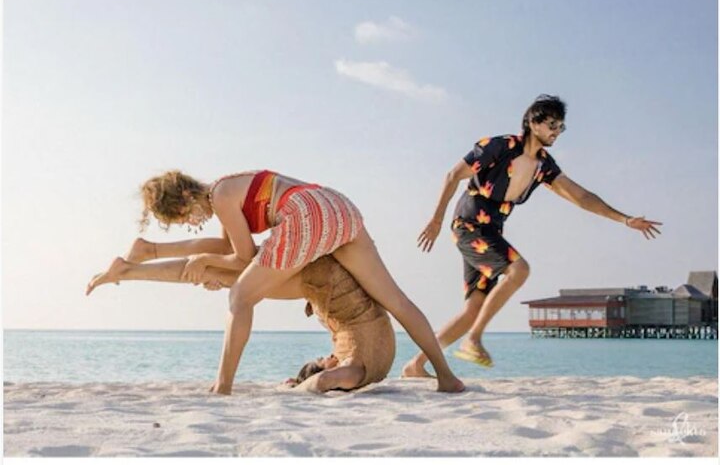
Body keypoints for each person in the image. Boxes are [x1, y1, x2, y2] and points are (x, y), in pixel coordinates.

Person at [122, 170, 463, 394]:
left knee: (240, 297)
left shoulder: (221, 197)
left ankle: (223, 386)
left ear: (184, 198)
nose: (191, 223)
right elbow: (228, 248)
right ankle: (446, 377)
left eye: (184, 218)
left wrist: (207, 263)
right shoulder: (227, 188)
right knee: (396, 300)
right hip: (338, 206)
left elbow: (242, 260)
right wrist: (158, 252)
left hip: (306, 212)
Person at [402, 94, 662, 376]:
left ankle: (416, 365)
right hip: (468, 224)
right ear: (533, 122)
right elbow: (454, 175)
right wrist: (436, 220)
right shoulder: (499, 147)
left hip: (491, 231)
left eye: (561, 127)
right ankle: (473, 339)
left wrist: (624, 219)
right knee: (519, 270)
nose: (557, 132)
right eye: (552, 124)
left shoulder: (543, 165)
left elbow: (581, 196)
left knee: (474, 308)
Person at [87, 251, 395, 393]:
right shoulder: (357, 368)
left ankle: (132, 267)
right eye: (323, 360)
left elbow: (324, 377)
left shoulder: (361, 361)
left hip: (320, 283)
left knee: (223, 271)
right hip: (320, 276)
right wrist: (296, 390)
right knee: (224, 267)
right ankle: (130, 268)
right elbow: (325, 381)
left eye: (319, 359)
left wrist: (298, 382)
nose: (325, 357)